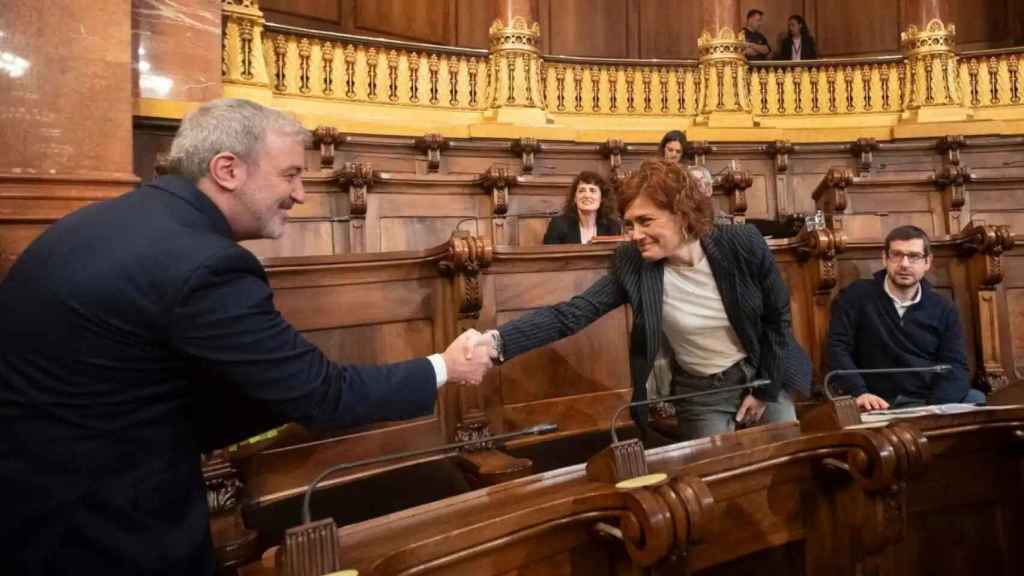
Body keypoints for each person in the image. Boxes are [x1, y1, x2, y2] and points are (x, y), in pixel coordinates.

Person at [0, 98, 492, 574]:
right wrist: (445, 367)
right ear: (228, 169)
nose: (300, 194)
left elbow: (147, 383)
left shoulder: (102, 221)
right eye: (291, 174)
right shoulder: (203, 263)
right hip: (105, 533)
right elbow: (325, 395)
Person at [475, 160, 811, 441]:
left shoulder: (742, 244)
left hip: (763, 371)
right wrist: (496, 343)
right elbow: (572, 314)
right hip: (702, 391)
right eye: (630, 223)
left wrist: (765, 391)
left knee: (789, 469)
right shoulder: (633, 263)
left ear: (682, 215)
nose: (634, 234)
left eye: (646, 221)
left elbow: (777, 321)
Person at [827, 225, 985, 412]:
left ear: (927, 262)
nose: (904, 264)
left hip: (927, 401)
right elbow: (837, 348)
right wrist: (859, 392)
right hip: (876, 402)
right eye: (897, 255)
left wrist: (934, 409)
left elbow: (955, 366)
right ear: (885, 258)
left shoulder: (943, 308)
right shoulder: (857, 295)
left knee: (976, 398)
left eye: (914, 256)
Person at [543, 171, 622, 244]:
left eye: (592, 191)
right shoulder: (558, 225)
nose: (587, 195)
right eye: (582, 191)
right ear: (575, 198)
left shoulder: (613, 226)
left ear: (602, 198)